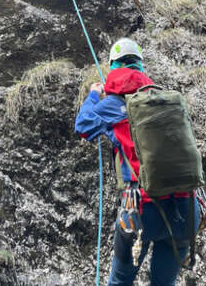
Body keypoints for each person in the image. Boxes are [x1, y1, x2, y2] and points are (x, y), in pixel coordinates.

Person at [75, 38, 199, 286]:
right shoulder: (166, 98)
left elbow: (83, 126)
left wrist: (93, 95)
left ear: (113, 68)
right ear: (141, 67)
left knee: (120, 281)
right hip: (187, 208)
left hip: (142, 209)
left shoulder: (114, 103)